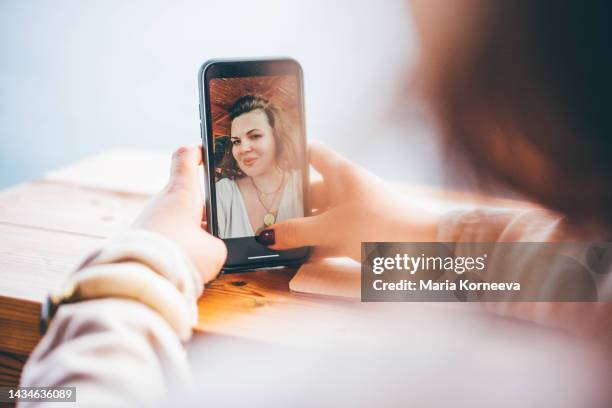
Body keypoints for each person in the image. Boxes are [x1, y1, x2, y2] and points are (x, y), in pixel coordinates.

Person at [18, 0, 612, 406]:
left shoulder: (382, 384)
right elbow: (587, 278)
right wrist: (419, 237)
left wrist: (137, 271)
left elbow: (53, 396)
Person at [215, 95, 303, 238]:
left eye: (255, 136)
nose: (243, 148)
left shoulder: (301, 184)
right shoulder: (224, 194)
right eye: (236, 141)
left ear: (277, 136)